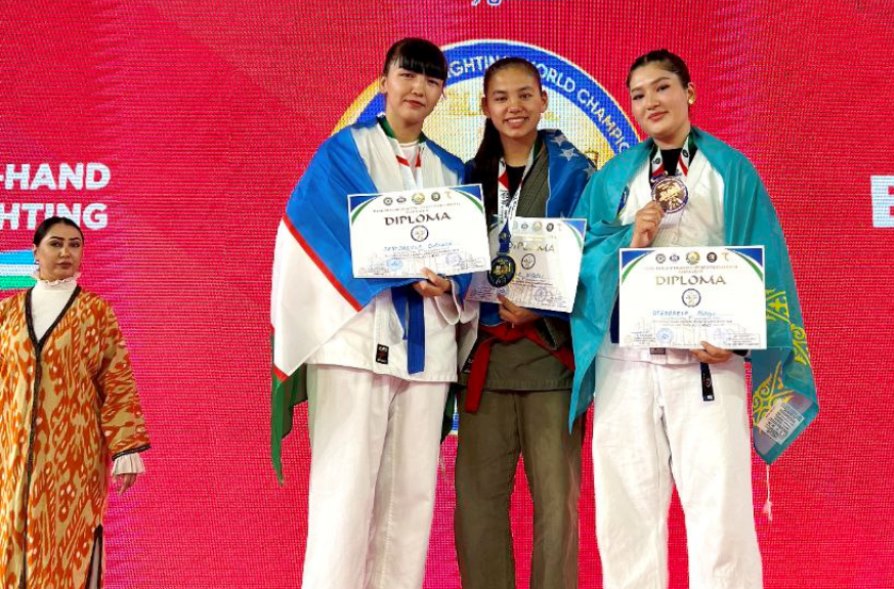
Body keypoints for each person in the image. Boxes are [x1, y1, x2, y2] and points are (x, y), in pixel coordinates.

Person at [569, 50, 819, 589]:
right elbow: (579, 258)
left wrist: (738, 341)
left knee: (720, 513)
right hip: (625, 362)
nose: (650, 102)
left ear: (689, 92)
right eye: (638, 95)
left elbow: (765, 262)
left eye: (662, 88)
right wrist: (629, 238)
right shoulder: (614, 179)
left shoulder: (731, 171)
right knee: (625, 515)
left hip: (708, 362)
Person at [270, 38, 472, 589]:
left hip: (428, 352)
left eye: (431, 80)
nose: (418, 88)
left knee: (411, 503)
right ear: (384, 82)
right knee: (343, 497)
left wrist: (451, 282)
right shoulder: (342, 154)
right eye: (408, 74)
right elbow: (311, 234)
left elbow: (470, 262)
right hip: (355, 342)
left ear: (441, 94)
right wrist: (399, 267)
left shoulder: (453, 172)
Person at [455, 57, 594, 589]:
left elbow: (596, 258)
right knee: (477, 504)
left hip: (549, 358)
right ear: (485, 107)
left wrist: (546, 305)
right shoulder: (467, 178)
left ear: (543, 101)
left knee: (557, 506)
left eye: (524, 95)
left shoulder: (578, 174)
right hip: (485, 360)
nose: (513, 107)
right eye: (501, 98)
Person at [0, 216, 150, 589]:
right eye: (56, 243)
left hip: (73, 459)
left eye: (74, 244)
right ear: (35, 252)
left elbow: (116, 380)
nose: (66, 252)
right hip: (10, 457)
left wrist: (125, 448)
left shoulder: (96, 313)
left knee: (66, 547)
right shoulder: (7, 314)